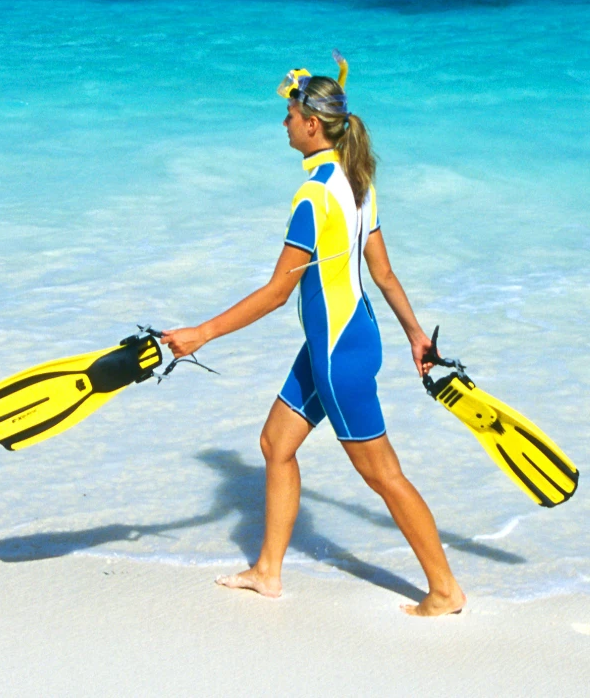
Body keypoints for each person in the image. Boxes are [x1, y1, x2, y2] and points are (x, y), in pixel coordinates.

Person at [161, 58, 465, 617]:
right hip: (350, 337)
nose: (283, 124)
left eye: (289, 114)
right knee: (276, 445)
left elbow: (279, 292)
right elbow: (384, 273)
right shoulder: (359, 182)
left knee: (384, 475)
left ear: (312, 125)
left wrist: (201, 333)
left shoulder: (313, 197)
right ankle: (268, 572)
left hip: (337, 355)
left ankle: (445, 589)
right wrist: (415, 334)